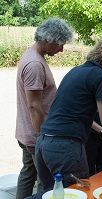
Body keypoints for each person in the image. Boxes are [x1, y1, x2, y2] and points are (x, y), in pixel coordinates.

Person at [35, 39, 102, 192]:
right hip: (65, 146)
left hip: (44, 143)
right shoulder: (101, 76)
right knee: (79, 192)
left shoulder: (78, 70)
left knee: (52, 194)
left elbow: (79, 109)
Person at [15, 17, 73, 199]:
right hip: (36, 136)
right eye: (60, 44)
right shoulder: (35, 65)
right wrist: (43, 137)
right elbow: (33, 106)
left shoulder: (33, 56)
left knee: (27, 174)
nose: (61, 49)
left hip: (27, 133)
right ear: (48, 39)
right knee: (45, 181)